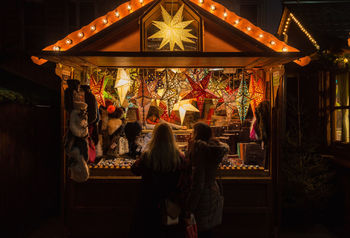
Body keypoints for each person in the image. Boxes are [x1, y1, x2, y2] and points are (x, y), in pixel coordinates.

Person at [130, 123, 190, 238]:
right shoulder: (179, 157)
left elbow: (135, 170)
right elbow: (186, 180)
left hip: (149, 205)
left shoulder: (147, 156)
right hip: (171, 206)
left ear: (155, 136)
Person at [185, 122, 229, 238]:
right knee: (208, 230)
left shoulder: (199, 152)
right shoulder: (211, 150)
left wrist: (189, 207)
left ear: (197, 135)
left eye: (193, 132)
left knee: (200, 231)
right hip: (212, 193)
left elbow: (198, 182)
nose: (190, 135)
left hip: (202, 198)